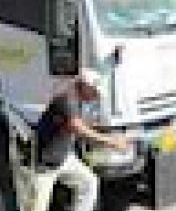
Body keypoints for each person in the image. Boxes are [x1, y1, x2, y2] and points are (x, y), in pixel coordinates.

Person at [31, 71, 131, 211]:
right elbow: (77, 127)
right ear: (85, 86)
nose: (96, 96)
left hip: (64, 158)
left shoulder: (77, 100)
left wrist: (110, 135)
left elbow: (79, 126)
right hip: (44, 165)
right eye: (94, 92)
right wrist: (112, 142)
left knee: (89, 183)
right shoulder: (66, 99)